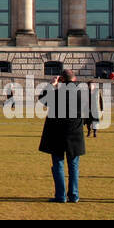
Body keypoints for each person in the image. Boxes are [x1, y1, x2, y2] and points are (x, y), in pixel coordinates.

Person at [38, 71, 86, 203]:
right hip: (75, 133)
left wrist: (51, 85)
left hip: (57, 133)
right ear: (74, 79)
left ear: (61, 79)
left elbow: (42, 99)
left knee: (58, 165)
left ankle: (60, 196)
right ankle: (74, 195)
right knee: (74, 166)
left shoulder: (57, 92)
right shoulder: (82, 93)